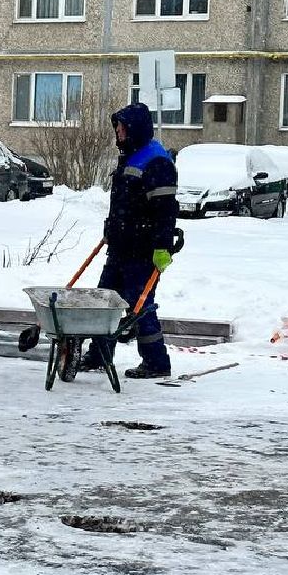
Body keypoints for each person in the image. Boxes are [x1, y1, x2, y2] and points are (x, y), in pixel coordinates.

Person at [81, 101, 179, 379]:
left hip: (144, 249)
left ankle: (157, 362)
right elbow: (125, 203)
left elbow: (165, 211)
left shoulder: (155, 161)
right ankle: (99, 355)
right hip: (121, 247)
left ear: (134, 129)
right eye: (118, 127)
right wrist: (112, 229)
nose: (119, 132)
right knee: (104, 301)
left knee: (140, 306)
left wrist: (162, 246)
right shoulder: (130, 156)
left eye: (122, 128)